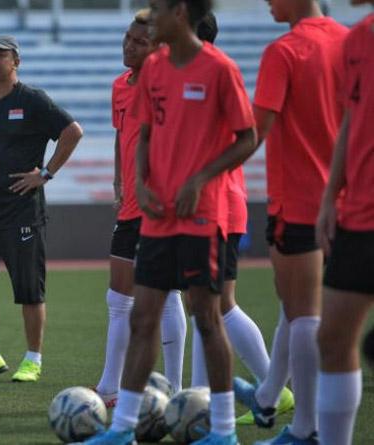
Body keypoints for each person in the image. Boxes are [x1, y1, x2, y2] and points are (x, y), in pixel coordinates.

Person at [84, 0, 256, 443]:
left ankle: (223, 429)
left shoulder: (219, 69)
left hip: (202, 213)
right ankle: (123, 428)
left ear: (179, 14)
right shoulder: (154, 71)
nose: (151, 19)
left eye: (158, 10)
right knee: (143, 317)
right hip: (156, 216)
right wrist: (141, 183)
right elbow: (142, 133)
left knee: (208, 318)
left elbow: (248, 137)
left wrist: (200, 179)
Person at [232, 1, 348, 443]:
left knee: (303, 314)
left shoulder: (284, 51)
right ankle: (267, 397)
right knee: (295, 302)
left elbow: (255, 131)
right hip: (346, 199)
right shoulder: (350, 42)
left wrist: (203, 171)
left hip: (299, 201)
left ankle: (306, 429)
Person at [186, 13, 295, 426]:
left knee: (215, 303)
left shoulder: (211, 73)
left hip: (216, 203)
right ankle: (206, 396)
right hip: (214, 202)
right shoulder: (194, 73)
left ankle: (270, 389)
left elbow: (243, 137)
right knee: (205, 302)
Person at [0, 35, 83, 384]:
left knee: (28, 289)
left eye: (0, 55)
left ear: (16, 62)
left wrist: (45, 174)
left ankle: (32, 359)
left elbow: (72, 132)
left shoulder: (33, 100)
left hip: (23, 210)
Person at [96, 10, 186, 407]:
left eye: (139, 42)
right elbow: (122, 136)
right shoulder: (120, 85)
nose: (129, 46)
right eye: (127, 38)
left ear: (158, 47)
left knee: (168, 296)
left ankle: (176, 388)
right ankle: (109, 386)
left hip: (161, 205)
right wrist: (120, 180)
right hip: (131, 205)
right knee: (118, 298)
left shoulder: (169, 84)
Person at [315, 3, 373, 443]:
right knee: (333, 338)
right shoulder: (357, 39)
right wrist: (330, 197)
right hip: (358, 211)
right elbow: (351, 121)